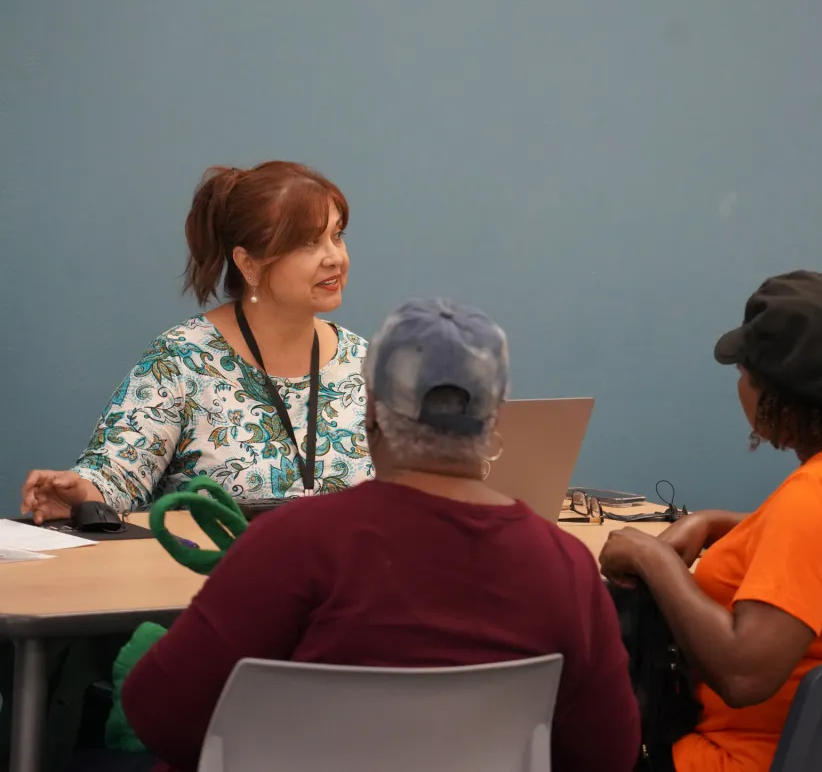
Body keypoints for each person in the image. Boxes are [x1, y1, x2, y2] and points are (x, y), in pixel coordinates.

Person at [120, 298, 640, 772]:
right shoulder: (566, 566)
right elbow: (608, 755)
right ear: (495, 417)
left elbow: (159, 715)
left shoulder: (292, 542)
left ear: (371, 412)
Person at [599, 271, 822, 772]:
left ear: (780, 398)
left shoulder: (819, 497)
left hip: (764, 757)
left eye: (746, 374)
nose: (740, 386)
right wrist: (714, 521)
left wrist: (653, 559)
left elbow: (745, 677)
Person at [21, 161, 372, 520]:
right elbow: (115, 475)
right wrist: (80, 493)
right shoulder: (182, 360)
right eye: (309, 243)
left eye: (337, 235)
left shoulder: (369, 366)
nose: (335, 258)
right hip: (214, 572)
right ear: (248, 263)